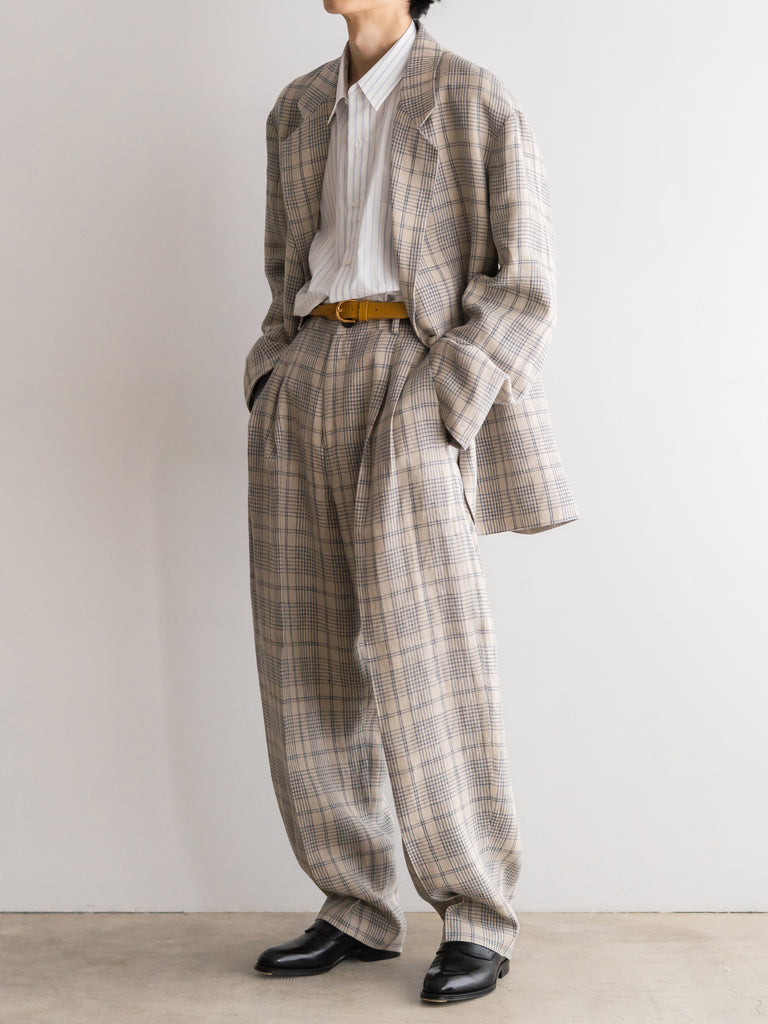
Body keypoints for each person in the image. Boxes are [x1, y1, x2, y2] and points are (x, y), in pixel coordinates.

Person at [244, 0, 580, 1005]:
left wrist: (448, 392)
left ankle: (476, 915)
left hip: (413, 371)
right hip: (308, 371)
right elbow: (285, 267)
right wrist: (271, 370)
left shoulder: (470, 96)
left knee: (430, 656)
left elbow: (525, 282)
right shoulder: (298, 107)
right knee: (304, 656)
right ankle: (353, 905)